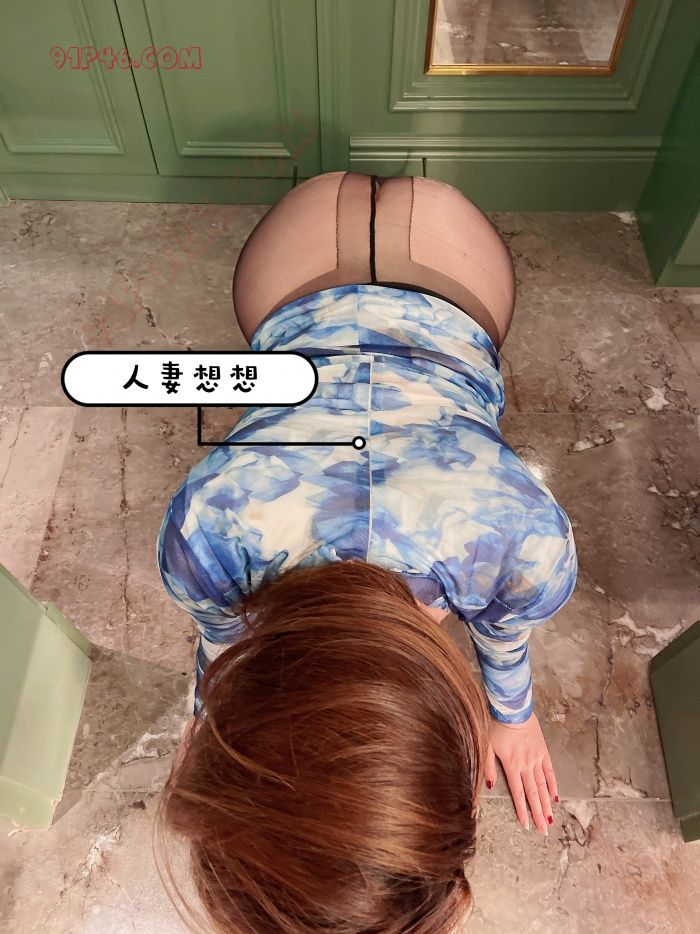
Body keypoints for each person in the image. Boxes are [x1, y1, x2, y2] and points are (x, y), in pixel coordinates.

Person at [153, 172, 578, 933]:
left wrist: (512, 717)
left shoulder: (524, 544)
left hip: (448, 273)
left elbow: (223, 643)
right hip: (303, 264)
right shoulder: (205, 530)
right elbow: (222, 644)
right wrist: (208, 719)